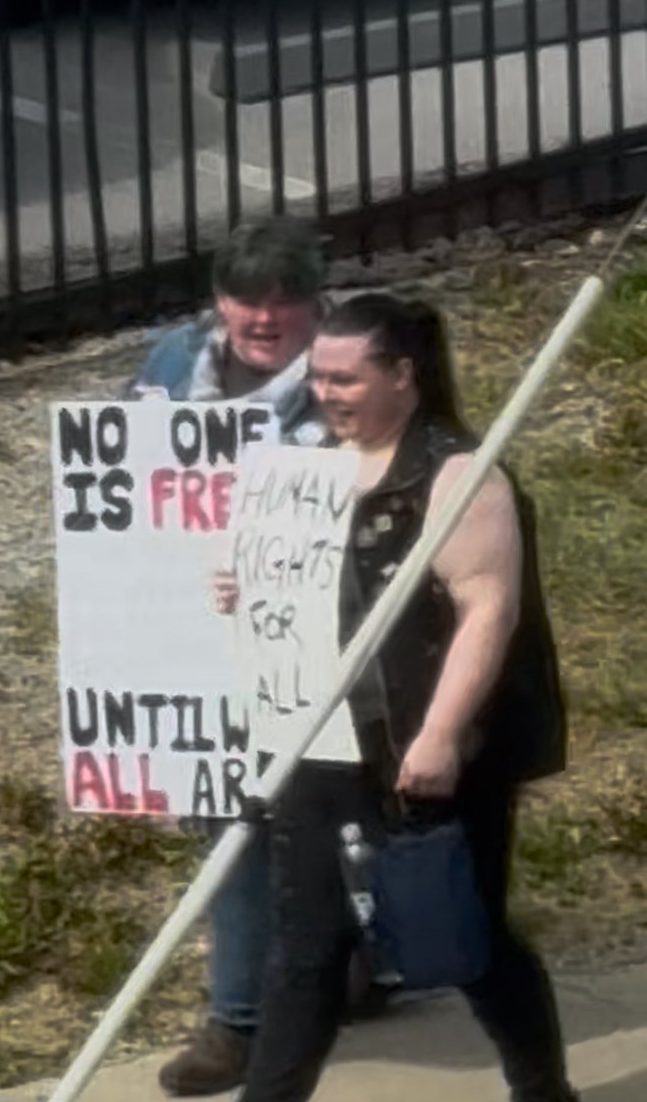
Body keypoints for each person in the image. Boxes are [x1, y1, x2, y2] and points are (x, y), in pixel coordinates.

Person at [219, 291, 578, 1102]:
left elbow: (491, 605)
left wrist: (443, 733)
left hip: (425, 742)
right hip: (321, 734)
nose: (325, 393)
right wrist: (241, 587)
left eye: (347, 378)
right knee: (305, 947)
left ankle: (543, 1089)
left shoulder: (458, 475)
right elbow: (296, 590)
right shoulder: (307, 467)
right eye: (319, 376)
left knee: (461, 931)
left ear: (403, 375)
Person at [123, 215, 326, 1096]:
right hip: (198, 626)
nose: (265, 317)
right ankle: (236, 1020)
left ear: (315, 306)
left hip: (315, 621)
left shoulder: (345, 366)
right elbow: (123, 480)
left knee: (334, 820)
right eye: (248, 298)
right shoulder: (172, 363)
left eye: (286, 300)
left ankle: (350, 965)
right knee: (231, 820)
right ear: (218, 302)